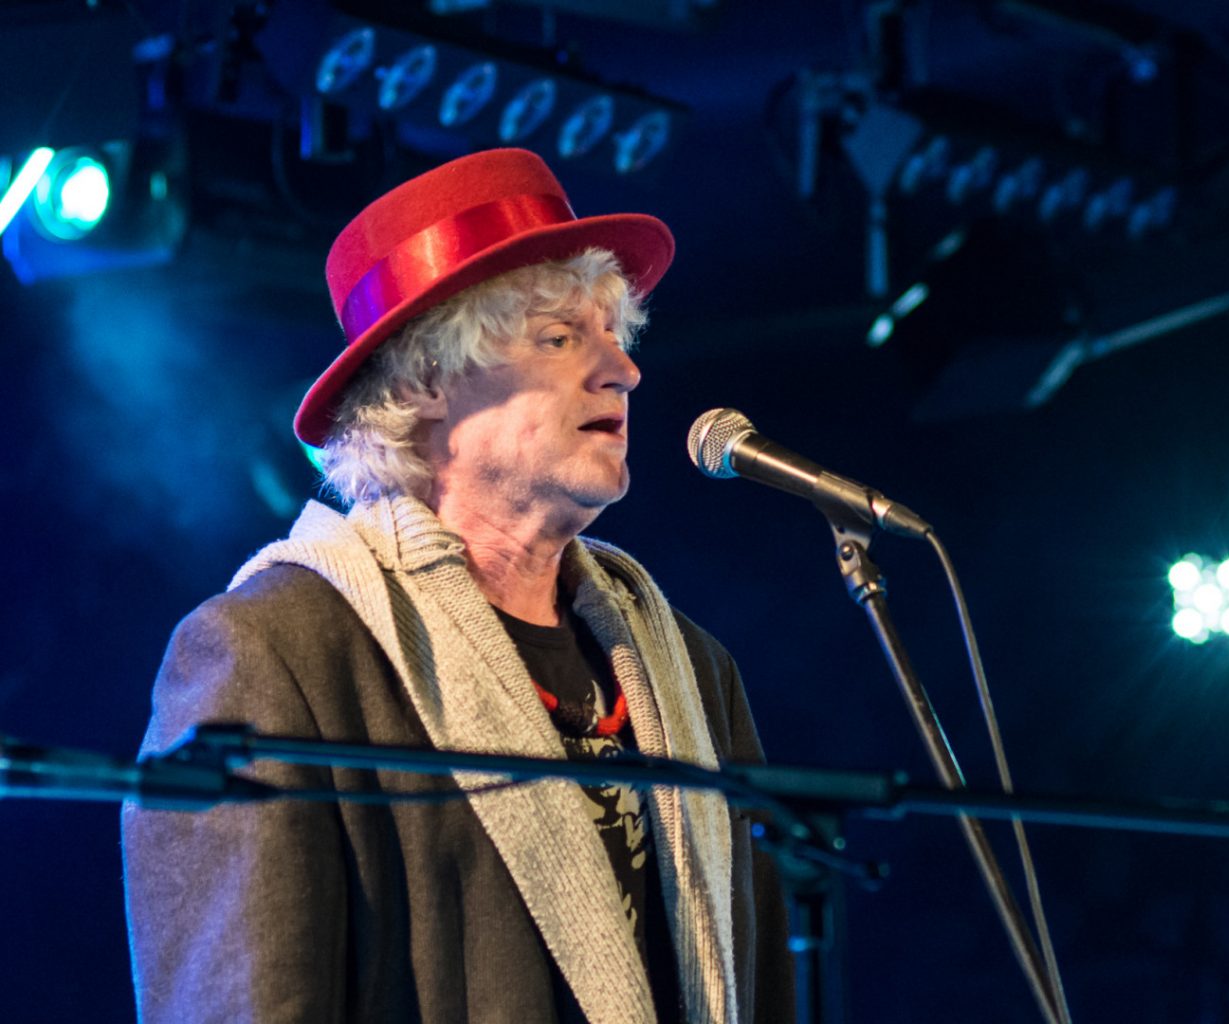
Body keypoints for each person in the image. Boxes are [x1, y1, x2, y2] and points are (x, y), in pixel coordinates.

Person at [121, 148, 791, 1024]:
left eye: (616, 336)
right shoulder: (272, 655)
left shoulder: (695, 672)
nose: (622, 370)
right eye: (560, 337)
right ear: (427, 381)